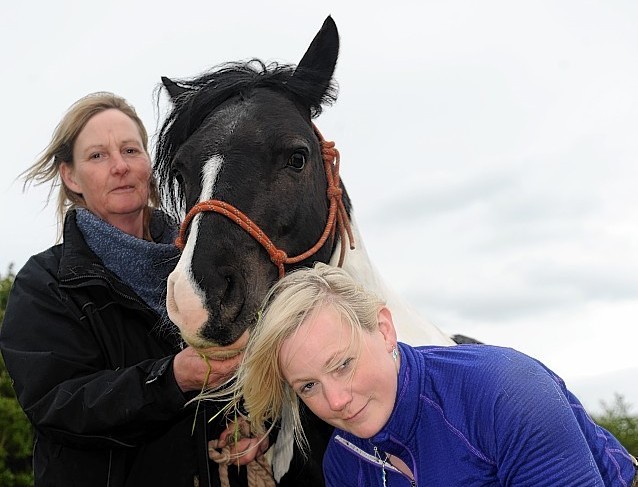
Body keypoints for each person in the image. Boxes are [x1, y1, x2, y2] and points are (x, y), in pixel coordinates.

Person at [0, 92, 244, 487]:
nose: (120, 166)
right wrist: (170, 379)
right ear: (71, 176)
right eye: (97, 156)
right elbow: (59, 404)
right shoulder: (45, 283)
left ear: (149, 163)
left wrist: (251, 426)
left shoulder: (204, 265)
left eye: (131, 149)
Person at [232, 263, 638, 486]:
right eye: (308, 386)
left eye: (343, 364)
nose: (336, 401)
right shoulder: (343, 462)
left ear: (385, 330)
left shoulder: (505, 392)